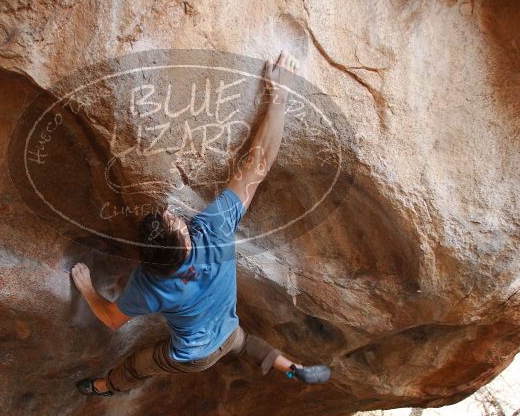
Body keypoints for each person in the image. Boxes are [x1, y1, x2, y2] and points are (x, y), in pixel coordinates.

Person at [72, 51, 331, 396]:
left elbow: (112, 319)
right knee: (246, 344)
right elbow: (259, 164)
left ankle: (104, 386)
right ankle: (292, 370)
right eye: (174, 222)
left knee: (138, 366)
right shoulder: (214, 230)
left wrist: (88, 288)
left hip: (197, 352)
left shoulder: (147, 286)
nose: (171, 214)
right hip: (226, 332)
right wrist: (279, 97)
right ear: (186, 242)